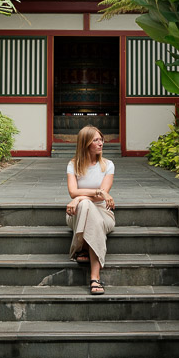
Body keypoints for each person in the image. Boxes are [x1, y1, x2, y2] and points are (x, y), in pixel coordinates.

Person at [66, 125, 115, 296]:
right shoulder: (73, 165)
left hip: (103, 213)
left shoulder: (108, 165)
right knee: (86, 206)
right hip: (77, 214)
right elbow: (73, 191)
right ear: (85, 143)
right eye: (96, 140)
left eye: (101, 139)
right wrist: (95, 193)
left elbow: (102, 197)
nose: (101, 143)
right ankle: (95, 277)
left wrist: (79, 198)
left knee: (87, 206)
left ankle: (82, 247)